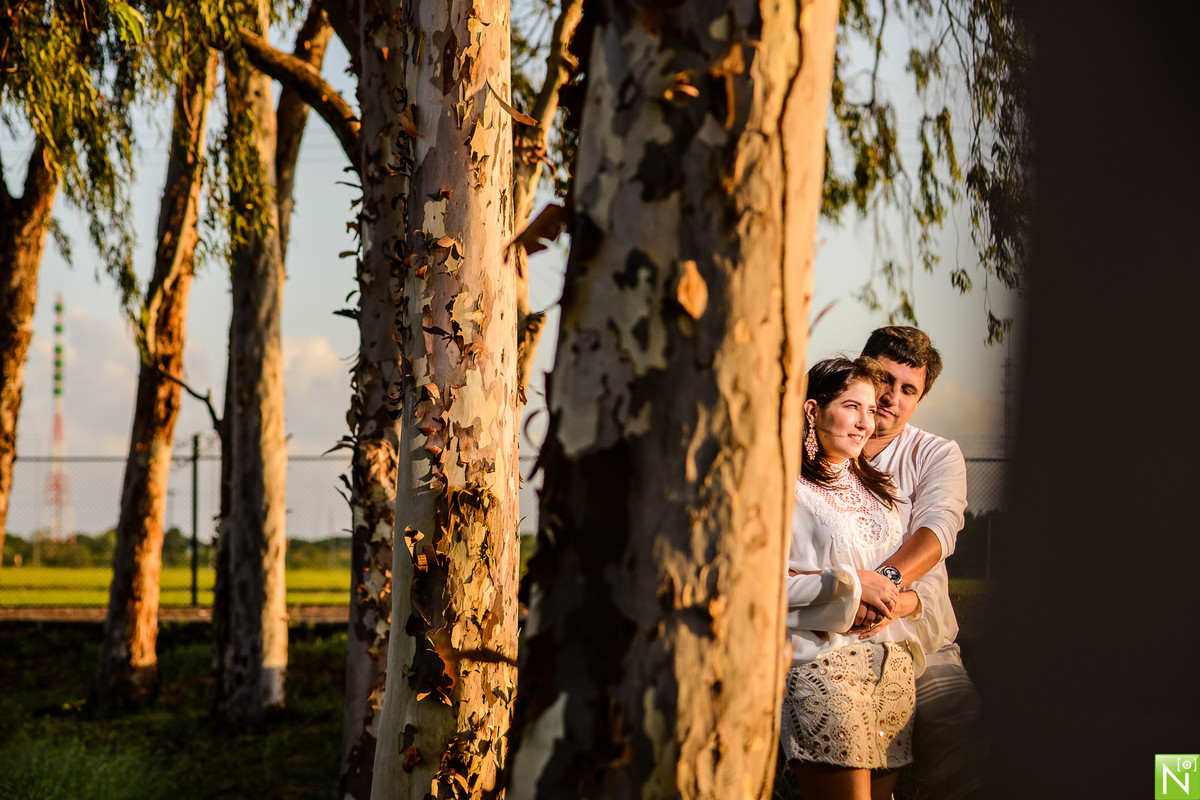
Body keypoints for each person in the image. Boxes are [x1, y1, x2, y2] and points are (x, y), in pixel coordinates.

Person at [782, 357, 944, 800]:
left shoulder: (881, 490)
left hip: (891, 668)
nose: (864, 424)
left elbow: (918, 581)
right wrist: (851, 584)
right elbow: (760, 586)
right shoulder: (785, 488)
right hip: (823, 668)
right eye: (852, 407)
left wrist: (898, 601)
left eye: (870, 411)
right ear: (812, 411)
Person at [851, 326, 988, 800]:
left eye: (908, 389)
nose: (891, 396)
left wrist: (883, 588)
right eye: (884, 379)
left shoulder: (935, 453)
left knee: (966, 755)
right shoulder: (819, 445)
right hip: (831, 639)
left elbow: (937, 531)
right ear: (861, 370)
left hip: (923, 647)